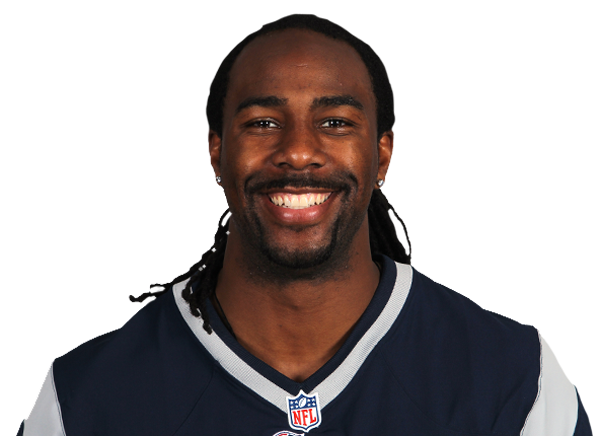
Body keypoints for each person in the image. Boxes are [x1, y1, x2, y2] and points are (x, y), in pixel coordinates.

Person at [26, 14, 592, 435]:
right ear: (217, 153)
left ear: (383, 154)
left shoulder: (517, 381)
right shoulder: (81, 399)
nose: (299, 151)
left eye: (336, 121)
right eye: (264, 122)